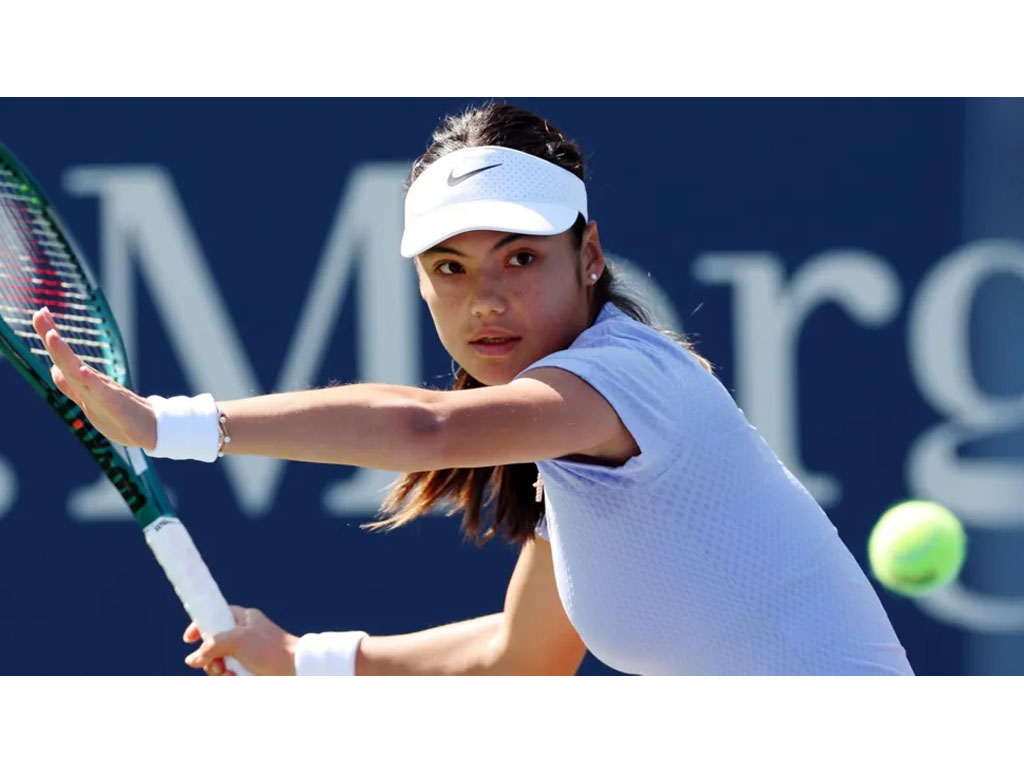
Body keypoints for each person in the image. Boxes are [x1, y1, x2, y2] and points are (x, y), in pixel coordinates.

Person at [31, 103, 913, 676]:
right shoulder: (572, 447)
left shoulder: (632, 378)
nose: (485, 299)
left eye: (519, 258)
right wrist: (302, 659)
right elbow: (515, 657)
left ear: (590, 255)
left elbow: (429, 430)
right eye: (450, 268)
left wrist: (169, 424)